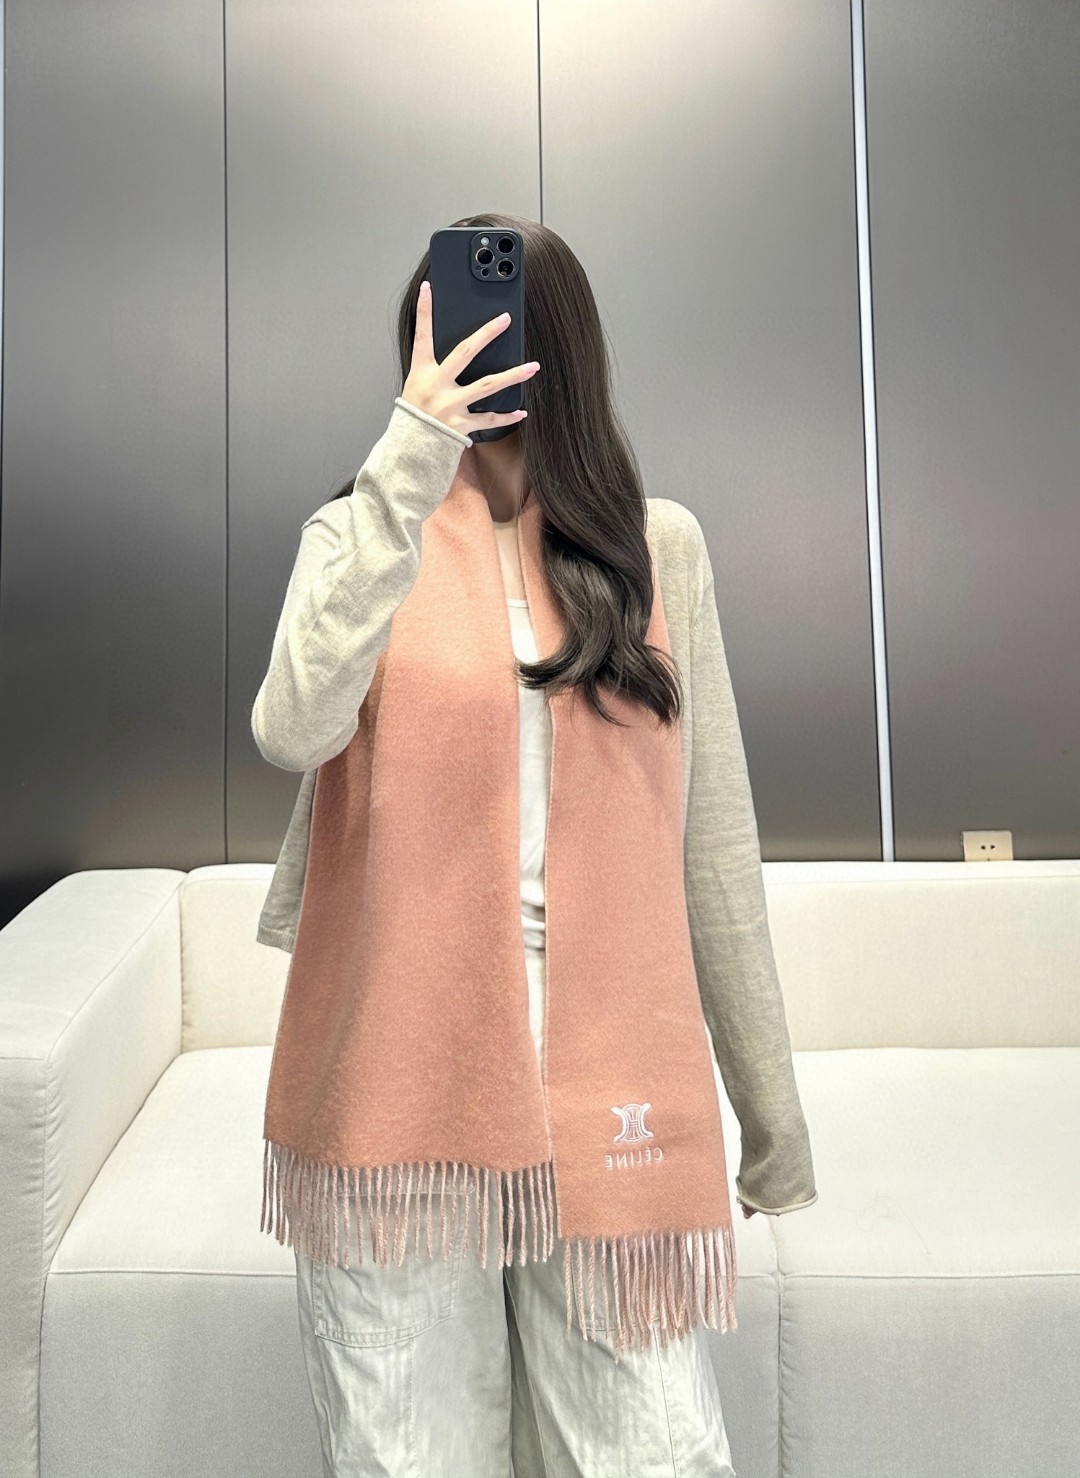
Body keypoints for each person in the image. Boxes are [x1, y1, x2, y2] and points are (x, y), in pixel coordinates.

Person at [252, 213, 817, 1477]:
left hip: (607, 1077)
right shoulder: (361, 539)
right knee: (409, 1455)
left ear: (556, 346)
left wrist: (769, 1113)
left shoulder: (655, 549)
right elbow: (291, 728)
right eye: (438, 328)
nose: (464, 345)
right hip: (401, 1070)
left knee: (651, 1454)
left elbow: (712, 848)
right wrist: (413, 452)